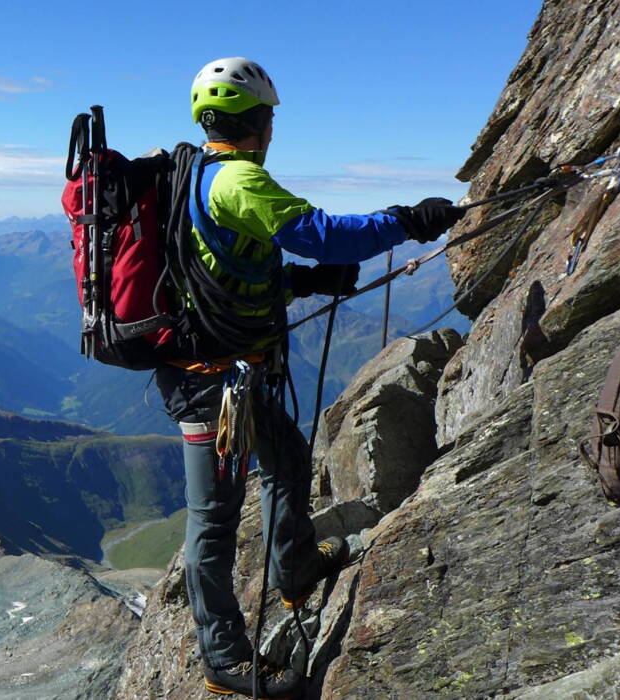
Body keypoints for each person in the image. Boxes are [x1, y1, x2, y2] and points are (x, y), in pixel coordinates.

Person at [160, 57, 462, 699]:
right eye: (269, 117)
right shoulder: (238, 180)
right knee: (212, 520)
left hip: (230, 373)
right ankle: (224, 659)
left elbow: (223, 268)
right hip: (207, 384)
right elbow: (322, 233)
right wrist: (406, 222)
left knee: (290, 460)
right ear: (258, 121)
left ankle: (293, 566)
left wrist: (303, 282)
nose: (272, 129)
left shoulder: (196, 177)